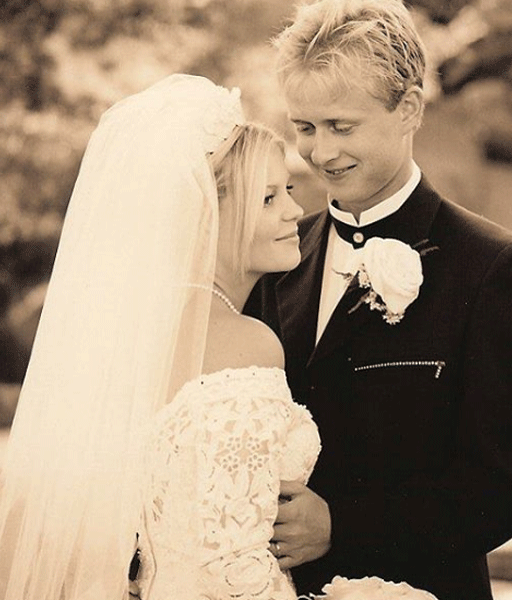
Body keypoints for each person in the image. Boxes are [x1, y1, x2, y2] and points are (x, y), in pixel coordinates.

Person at [245, 1, 512, 599]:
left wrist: (344, 524)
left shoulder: (493, 269)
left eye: (342, 126)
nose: (320, 152)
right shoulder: (274, 260)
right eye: (305, 128)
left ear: (409, 108)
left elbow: (508, 485)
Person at [0, 74, 323, 600]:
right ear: (205, 214)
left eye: (288, 189)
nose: (292, 210)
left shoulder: (129, 338)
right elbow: (233, 571)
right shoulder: (247, 342)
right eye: (267, 198)